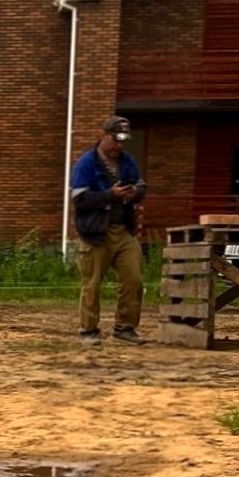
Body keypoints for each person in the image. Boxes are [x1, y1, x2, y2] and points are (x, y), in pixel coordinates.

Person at [70, 117, 146, 345]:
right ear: (103, 135)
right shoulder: (87, 163)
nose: (119, 146)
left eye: (123, 141)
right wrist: (109, 196)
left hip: (123, 230)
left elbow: (141, 186)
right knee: (92, 283)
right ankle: (88, 329)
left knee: (133, 279)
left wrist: (134, 193)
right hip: (95, 233)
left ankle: (125, 328)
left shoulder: (127, 161)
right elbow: (79, 198)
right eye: (115, 140)